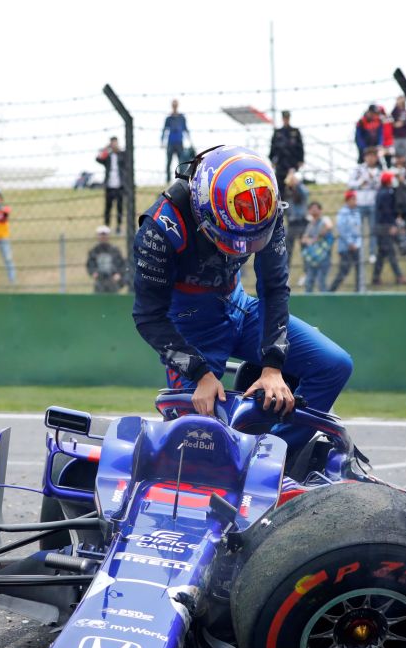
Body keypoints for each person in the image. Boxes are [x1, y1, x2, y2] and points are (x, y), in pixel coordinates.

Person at [132, 144, 352, 453]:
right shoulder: (161, 228)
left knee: (334, 365)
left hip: (241, 307)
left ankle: (277, 455)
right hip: (190, 330)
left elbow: (274, 288)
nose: (240, 249)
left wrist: (273, 366)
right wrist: (200, 373)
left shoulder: (265, 206)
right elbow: (148, 316)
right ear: (203, 209)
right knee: (198, 444)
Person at [372, 171, 406, 286]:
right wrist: (392, 225)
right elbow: (387, 211)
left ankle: (375, 278)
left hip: (380, 226)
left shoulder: (381, 192)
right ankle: (399, 276)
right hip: (385, 226)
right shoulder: (386, 193)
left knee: (382, 254)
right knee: (390, 252)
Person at [348, 147, 382, 257]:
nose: (370, 159)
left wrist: (373, 180)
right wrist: (360, 182)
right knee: (359, 230)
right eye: (368, 156)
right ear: (364, 157)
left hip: (373, 204)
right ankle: (360, 253)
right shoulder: (358, 170)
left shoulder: (379, 170)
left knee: (373, 230)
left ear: (376, 158)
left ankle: (372, 253)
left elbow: (381, 185)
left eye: (373, 156)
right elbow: (350, 184)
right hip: (360, 204)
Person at [329, 190, 363, 292]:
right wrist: (350, 242)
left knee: (359, 270)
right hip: (346, 247)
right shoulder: (343, 213)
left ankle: (358, 291)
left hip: (356, 245)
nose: (355, 201)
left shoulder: (357, 212)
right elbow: (342, 229)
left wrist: (357, 243)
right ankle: (331, 291)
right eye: (353, 199)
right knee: (344, 270)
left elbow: (358, 230)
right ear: (347, 200)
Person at [269, 110, 305, 200]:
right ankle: (282, 208)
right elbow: (273, 148)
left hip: (292, 163)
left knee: (294, 188)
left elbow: (300, 146)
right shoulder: (278, 132)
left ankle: (293, 209)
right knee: (280, 187)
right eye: (285, 118)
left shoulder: (295, 132)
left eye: (287, 118)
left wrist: (301, 160)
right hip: (281, 164)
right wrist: (272, 160)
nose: (286, 120)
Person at [300, 201, 333, 293]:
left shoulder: (325, 220)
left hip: (324, 256)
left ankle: (325, 304)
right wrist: (312, 240)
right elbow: (303, 239)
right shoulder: (310, 224)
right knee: (309, 281)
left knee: (321, 282)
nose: (313, 210)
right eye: (311, 209)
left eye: (316, 208)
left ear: (320, 210)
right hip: (312, 257)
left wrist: (314, 239)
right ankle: (308, 303)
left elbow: (329, 227)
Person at [97, 136, 127, 233]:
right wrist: (106, 148)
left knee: (119, 207)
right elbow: (98, 159)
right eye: (112, 143)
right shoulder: (107, 156)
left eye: (115, 143)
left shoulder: (122, 154)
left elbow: (128, 159)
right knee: (108, 208)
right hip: (109, 186)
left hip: (119, 186)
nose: (114, 145)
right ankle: (107, 226)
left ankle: (118, 226)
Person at [87, 224, 126, 293]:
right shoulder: (94, 250)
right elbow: (90, 264)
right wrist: (93, 273)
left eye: (104, 234)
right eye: (101, 234)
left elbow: (121, 264)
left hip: (112, 280)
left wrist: (118, 274)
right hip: (100, 280)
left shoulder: (115, 250)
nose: (103, 237)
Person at [283, 170, 310, 262]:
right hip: (291, 223)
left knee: (305, 248)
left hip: (302, 222)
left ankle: (307, 271)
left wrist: (296, 182)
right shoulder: (288, 193)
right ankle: (286, 271)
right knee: (288, 249)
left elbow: (305, 192)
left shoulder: (301, 191)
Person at [161, 99, 190, 181]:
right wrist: (162, 141)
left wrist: (190, 141)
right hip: (170, 143)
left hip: (179, 142)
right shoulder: (169, 118)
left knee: (181, 162)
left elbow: (185, 129)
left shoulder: (182, 118)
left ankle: (181, 179)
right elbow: (165, 130)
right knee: (169, 162)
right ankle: (168, 179)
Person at [390, 96, 406, 162]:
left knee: (404, 155)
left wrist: (403, 123)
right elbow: (390, 119)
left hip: (405, 137)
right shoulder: (395, 111)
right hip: (396, 137)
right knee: (396, 155)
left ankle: (404, 167)